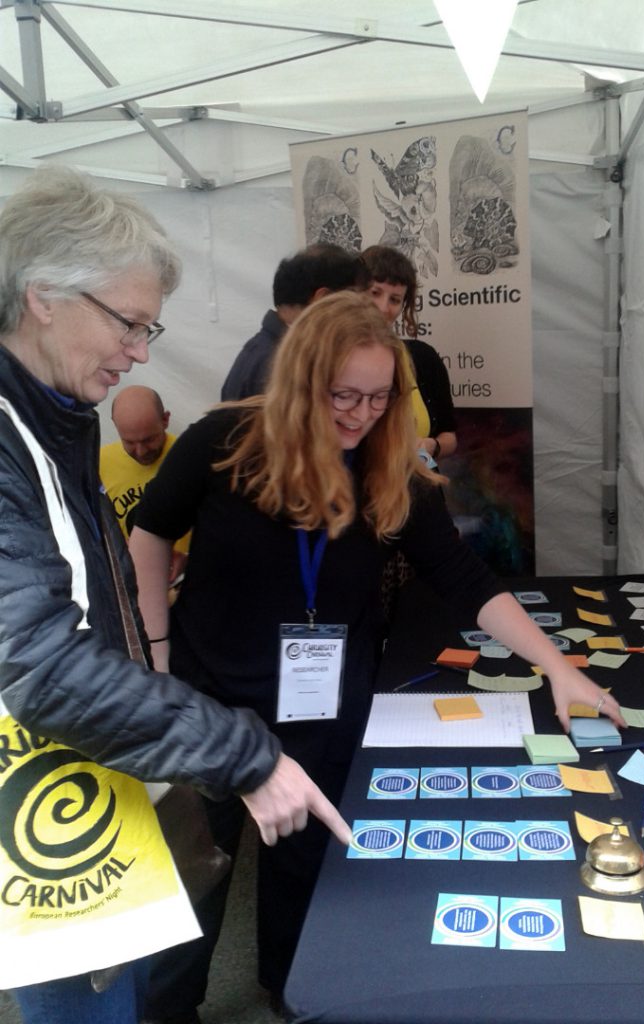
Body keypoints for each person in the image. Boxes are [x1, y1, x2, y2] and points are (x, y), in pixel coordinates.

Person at [129, 290, 625, 1017]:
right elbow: (149, 536)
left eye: (379, 397)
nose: (361, 415)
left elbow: (464, 579)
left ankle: (286, 991)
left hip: (324, 707)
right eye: (343, 396)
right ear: (301, 383)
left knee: (302, 864)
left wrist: (557, 667)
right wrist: (157, 652)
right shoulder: (221, 443)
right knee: (197, 876)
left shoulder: (390, 466)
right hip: (212, 700)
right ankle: (170, 1011)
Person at [0, 166, 349, 1024]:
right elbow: (34, 660)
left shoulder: (51, 418)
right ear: (45, 296)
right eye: (129, 323)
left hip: (77, 792)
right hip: (37, 816)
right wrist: (247, 755)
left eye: (149, 327)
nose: (142, 352)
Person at [220, 243, 369, 400]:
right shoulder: (279, 364)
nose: (354, 312)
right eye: (349, 299)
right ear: (323, 298)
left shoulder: (263, 348)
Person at [362, 244, 457, 463]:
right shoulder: (334, 360)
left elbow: (449, 435)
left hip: (420, 488)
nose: (383, 307)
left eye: (395, 300)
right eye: (374, 293)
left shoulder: (424, 357)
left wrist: (434, 446)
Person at [100, 385, 189, 581]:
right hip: (132, 586)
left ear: (165, 419)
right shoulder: (98, 464)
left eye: (149, 439)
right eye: (129, 442)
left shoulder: (190, 457)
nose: (140, 451)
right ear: (115, 425)